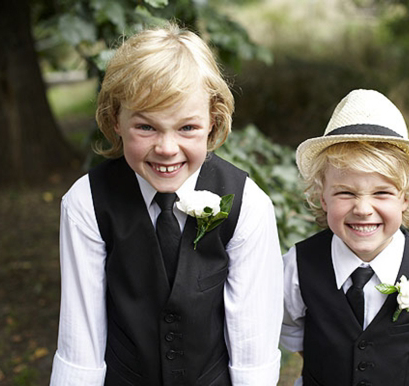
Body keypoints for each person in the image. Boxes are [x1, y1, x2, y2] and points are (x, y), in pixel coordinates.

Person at [50, 23, 283, 386]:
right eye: (146, 128)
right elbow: (81, 339)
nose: (167, 148)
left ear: (212, 122)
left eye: (187, 128)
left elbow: (254, 348)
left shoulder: (248, 205)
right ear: (116, 121)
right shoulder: (86, 203)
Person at [280, 89, 409, 385]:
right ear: (323, 198)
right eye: (345, 192)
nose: (363, 209)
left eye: (382, 192)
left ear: (406, 199)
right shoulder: (296, 267)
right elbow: (291, 332)